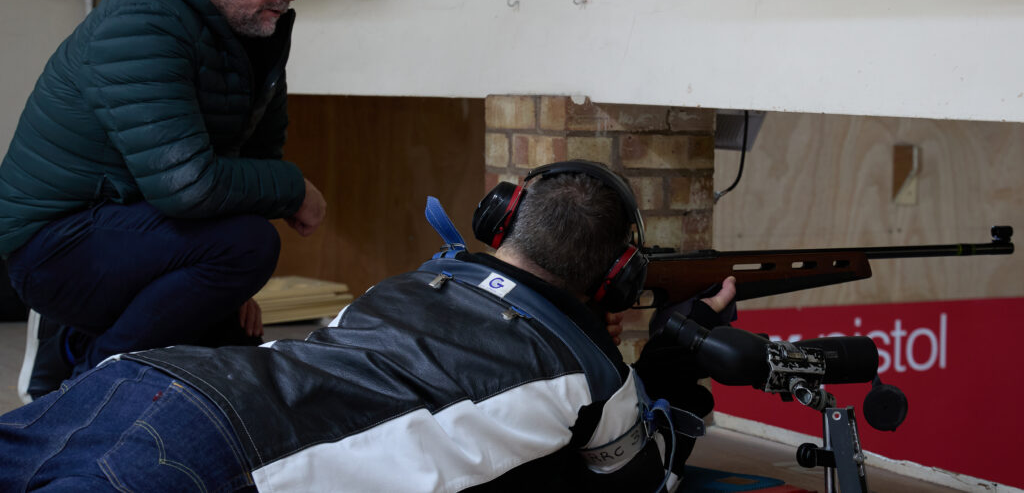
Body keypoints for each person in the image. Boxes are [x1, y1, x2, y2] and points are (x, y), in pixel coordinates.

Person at [0, 160, 736, 492]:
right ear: (616, 279)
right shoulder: (592, 373)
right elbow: (639, 476)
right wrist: (678, 345)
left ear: (501, 221)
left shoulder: (409, 282)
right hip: (221, 453)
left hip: (142, 377)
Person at [0, 0, 329, 401]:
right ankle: (82, 396)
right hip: (54, 247)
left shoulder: (253, 30)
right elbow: (188, 186)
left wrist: (226, 290)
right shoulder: (142, 21)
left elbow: (256, 150)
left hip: (135, 226)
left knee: (233, 346)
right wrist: (295, 190)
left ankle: (77, 352)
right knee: (249, 246)